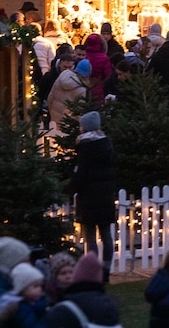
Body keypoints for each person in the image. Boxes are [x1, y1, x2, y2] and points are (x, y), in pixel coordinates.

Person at [65, 111, 116, 282]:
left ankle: (93, 272)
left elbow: (81, 175)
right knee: (106, 234)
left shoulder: (85, 147)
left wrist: (70, 189)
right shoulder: (107, 145)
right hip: (106, 195)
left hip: (89, 196)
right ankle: (106, 271)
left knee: (91, 237)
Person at [43, 252, 120, 328]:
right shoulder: (50, 294)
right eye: (63, 273)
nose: (68, 276)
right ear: (55, 276)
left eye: (71, 272)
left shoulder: (80, 296)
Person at [0, 262, 47, 328]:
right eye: (35, 286)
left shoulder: (34, 302)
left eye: (41, 286)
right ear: (22, 288)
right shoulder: (22, 308)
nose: (40, 289)